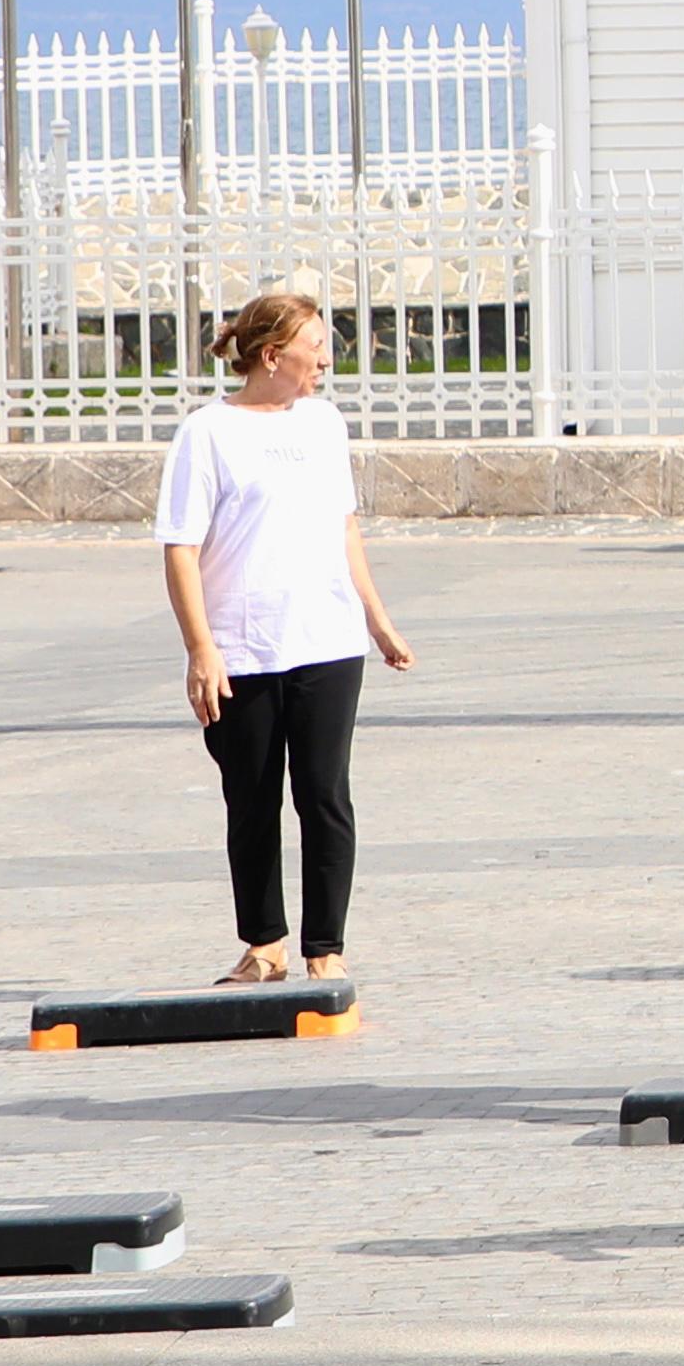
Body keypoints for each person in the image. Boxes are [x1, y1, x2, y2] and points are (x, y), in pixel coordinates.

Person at [156, 289, 414, 987]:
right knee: (252, 796)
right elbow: (181, 548)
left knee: (325, 794)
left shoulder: (325, 423)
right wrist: (200, 648)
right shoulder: (207, 434)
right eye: (316, 345)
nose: (327, 358)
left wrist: (377, 619)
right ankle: (264, 944)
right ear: (273, 355)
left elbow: (345, 527)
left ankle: (325, 948)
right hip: (242, 648)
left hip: (327, 642)